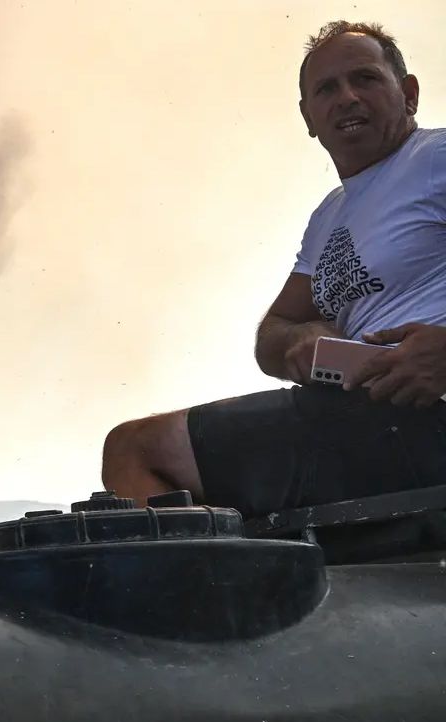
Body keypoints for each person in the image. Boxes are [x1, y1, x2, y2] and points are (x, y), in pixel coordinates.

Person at [102, 21, 446, 514]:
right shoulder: (329, 215)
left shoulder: (436, 158)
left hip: (421, 423)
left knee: (137, 449)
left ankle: (194, 590)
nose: (346, 97)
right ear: (308, 116)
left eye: (366, 79)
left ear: (408, 93)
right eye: (326, 88)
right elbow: (273, 334)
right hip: (357, 420)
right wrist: (297, 344)